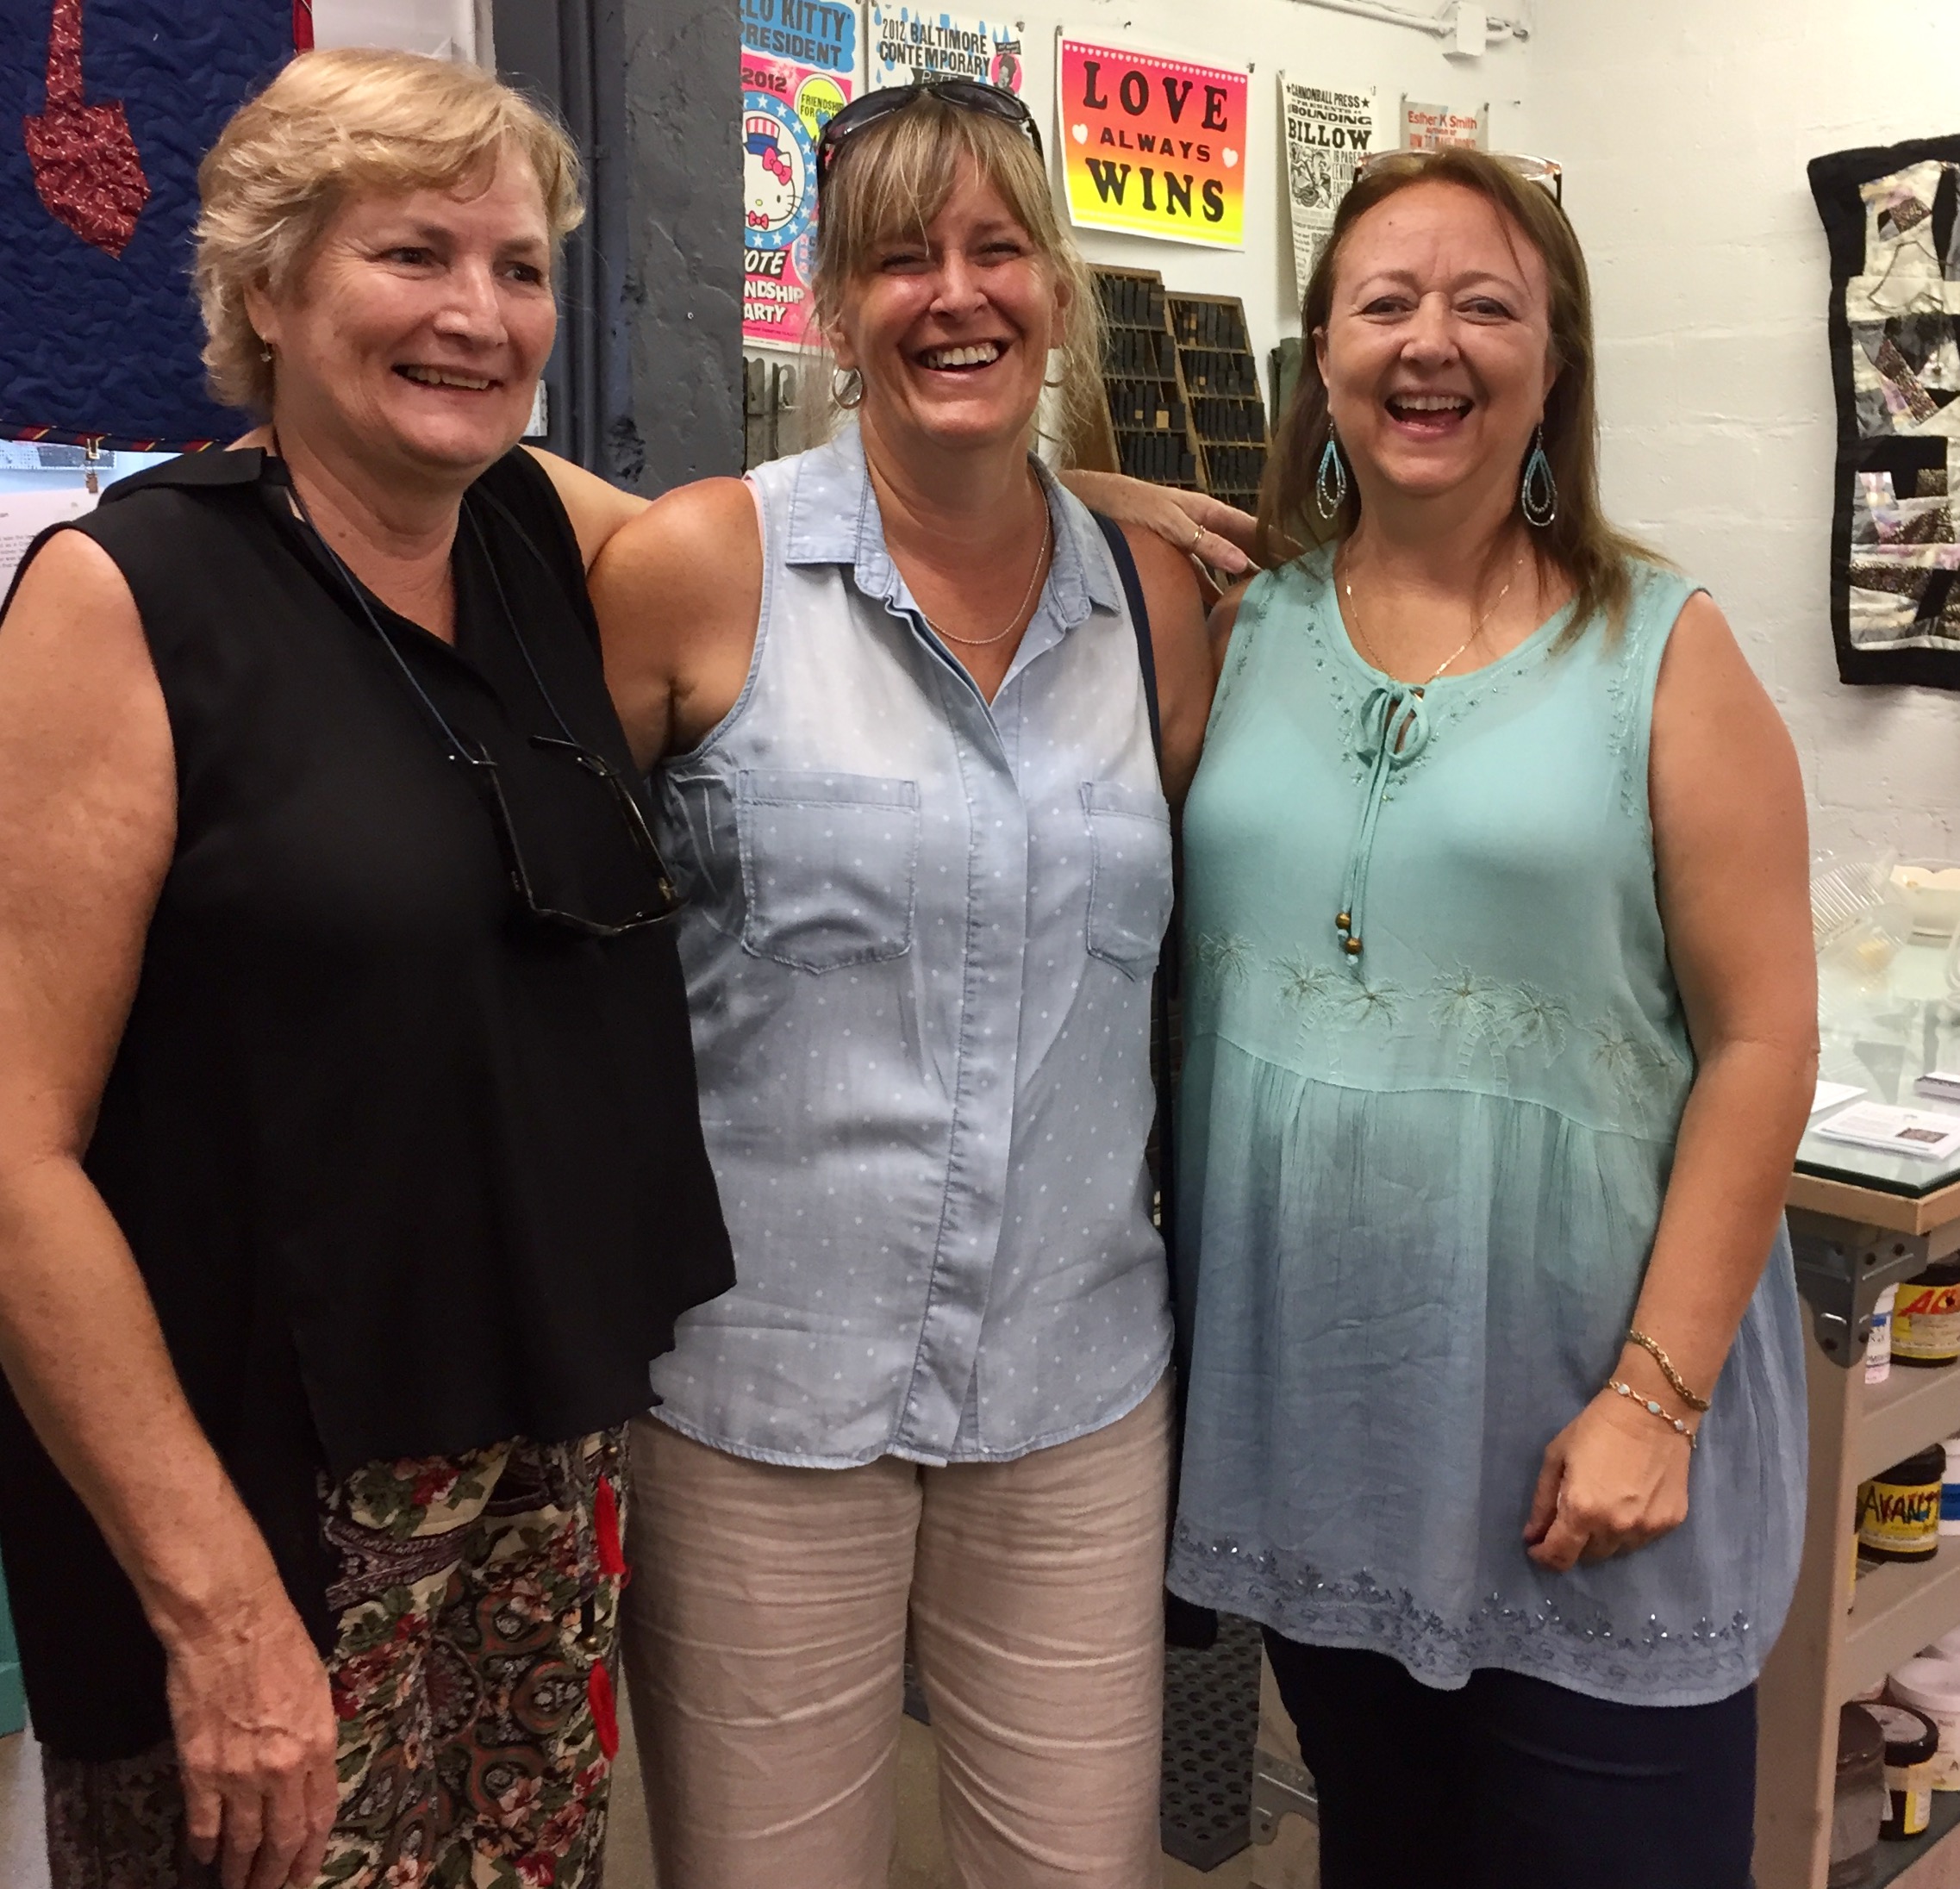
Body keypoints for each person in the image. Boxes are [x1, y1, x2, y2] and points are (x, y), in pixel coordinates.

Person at [0, 49, 734, 1889]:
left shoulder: (535, 533)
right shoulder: (127, 597)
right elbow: (11, 1152)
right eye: (415, 255)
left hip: (528, 1469)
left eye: (520, 266)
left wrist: (1091, 507)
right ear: (268, 287)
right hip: (267, 1497)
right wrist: (213, 1597)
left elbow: (825, 554)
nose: (479, 316)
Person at [586, 83, 1214, 1889]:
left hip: (1075, 1395)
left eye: (998, 248)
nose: (956, 293)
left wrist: (1081, 488)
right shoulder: (704, 567)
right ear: (829, 304)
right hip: (759, 1397)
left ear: (1057, 284)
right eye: (899, 257)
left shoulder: (1155, 604)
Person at [1165, 148, 1816, 1888]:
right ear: (1324, 355)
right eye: (1385, 303)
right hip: (1338, 1437)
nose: (1428, 343)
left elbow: (1763, 1039)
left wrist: (1656, 1400)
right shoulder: (1242, 628)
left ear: (1556, 360)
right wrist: (1091, 484)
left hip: (1586, 1456)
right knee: (1384, 1849)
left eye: (1483, 305)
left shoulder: (1660, 651)